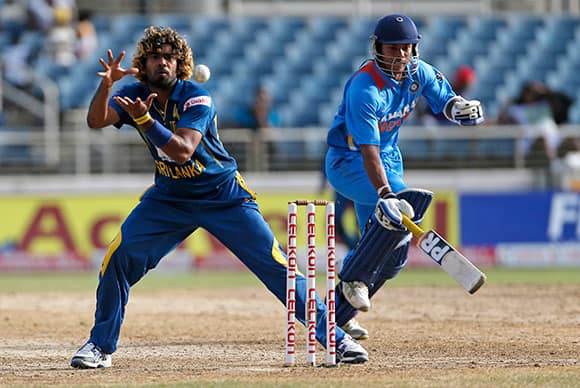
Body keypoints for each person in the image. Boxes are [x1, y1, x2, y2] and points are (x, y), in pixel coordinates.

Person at [69, 26, 367, 369]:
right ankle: (100, 346)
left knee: (276, 267)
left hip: (223, 196)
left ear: (180, 64)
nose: (162, 63)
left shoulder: (197, 97)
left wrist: (145, 119)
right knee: (117, 258)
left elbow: (182, 151)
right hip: (169, 198)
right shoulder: (136, 92)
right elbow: (95, 121)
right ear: (143, 64)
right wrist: (106, 84)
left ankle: (336, 339)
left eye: (170, 57)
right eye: (155, 58)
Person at [324, 14, 484, 340]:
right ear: (378, 47)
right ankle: (353, 278)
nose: (400, 55)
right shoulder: (364, 88)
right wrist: (386, 194)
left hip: (389, 160)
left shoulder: (418, 72)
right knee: (404, 207)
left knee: (392, 257)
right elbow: (367, 150)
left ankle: (340, 314)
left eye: (406, 48)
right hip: (349, 163)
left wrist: (462, 110)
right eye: (393, 47)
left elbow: (445, 101)